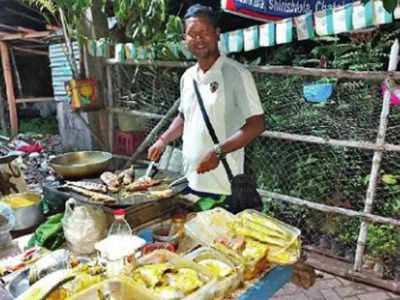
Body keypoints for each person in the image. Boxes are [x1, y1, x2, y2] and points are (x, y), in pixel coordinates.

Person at [148, 4, 264, 211]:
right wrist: (162, 140)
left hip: (224, 185)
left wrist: (218, 152)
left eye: (203, 32)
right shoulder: (187, 77)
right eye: (192, 34)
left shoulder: (236, 74)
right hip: (189, 181)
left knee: (222, 241)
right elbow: (185, 117)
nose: (198, 39)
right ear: (185, 39)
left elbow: (256, 125)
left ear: (217, 34)